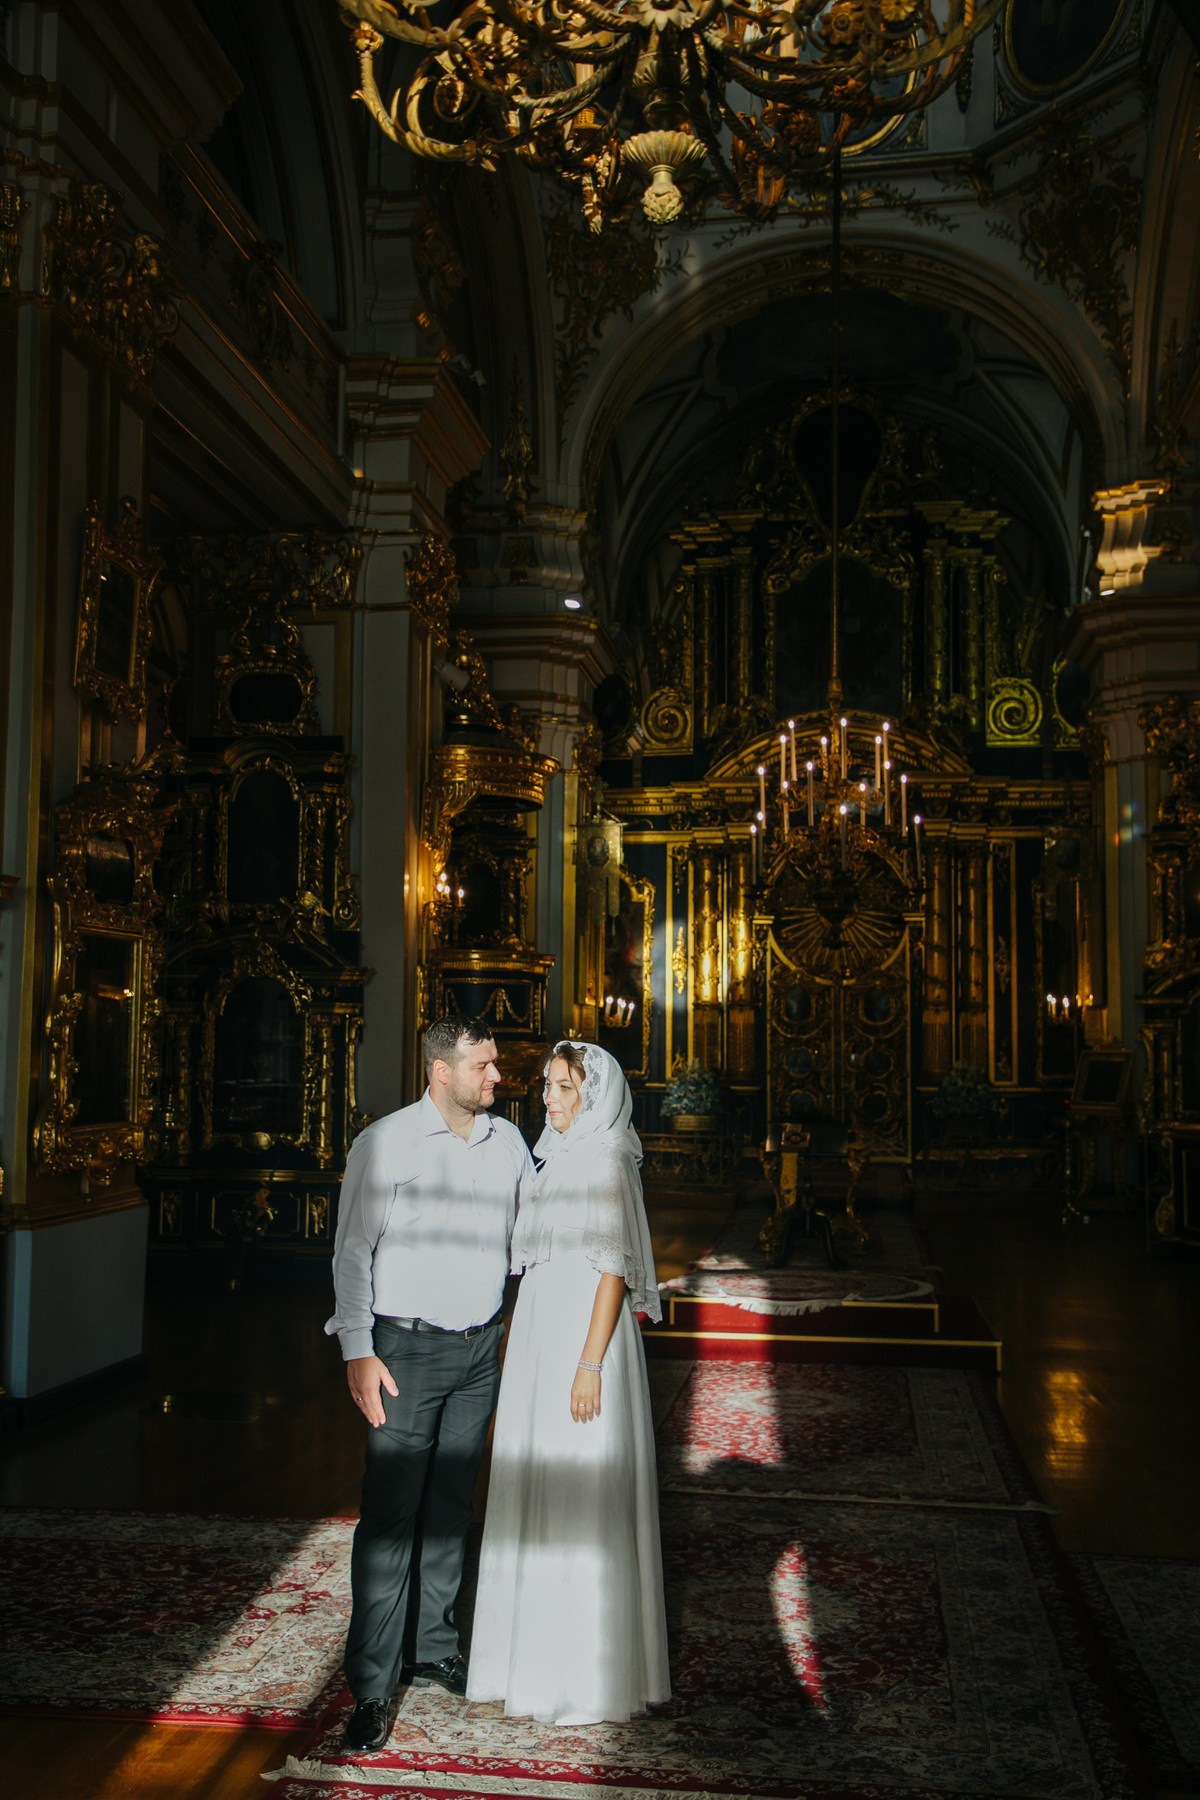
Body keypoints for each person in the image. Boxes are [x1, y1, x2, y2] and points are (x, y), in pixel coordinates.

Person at [325, 1017, 535, 1755]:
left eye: (496, 1064)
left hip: (482, 1350)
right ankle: (374, 1686)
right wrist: (358, 1350)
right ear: (440, 1072)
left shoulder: (509, 1143)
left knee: (451, 1504)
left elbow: (532, 1235)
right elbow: (352, 1253)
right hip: (404, 1351)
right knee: (390, 1517)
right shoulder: (386, 1144)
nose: (498, 1077)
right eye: (483, 1066)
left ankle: (435, 1645)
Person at [467, 1040, 671, 1725]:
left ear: (593, 1095)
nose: (546, 1097)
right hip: (540, 1334)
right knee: (538, 1482)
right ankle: (526, 1662)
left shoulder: (608, 1159)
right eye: (548, 1085)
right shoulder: (551, 1156)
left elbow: (612, 1271)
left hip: (586, 1342)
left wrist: (588, 1365)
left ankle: (586, 1674)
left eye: (559, 1086)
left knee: (581, 1484)